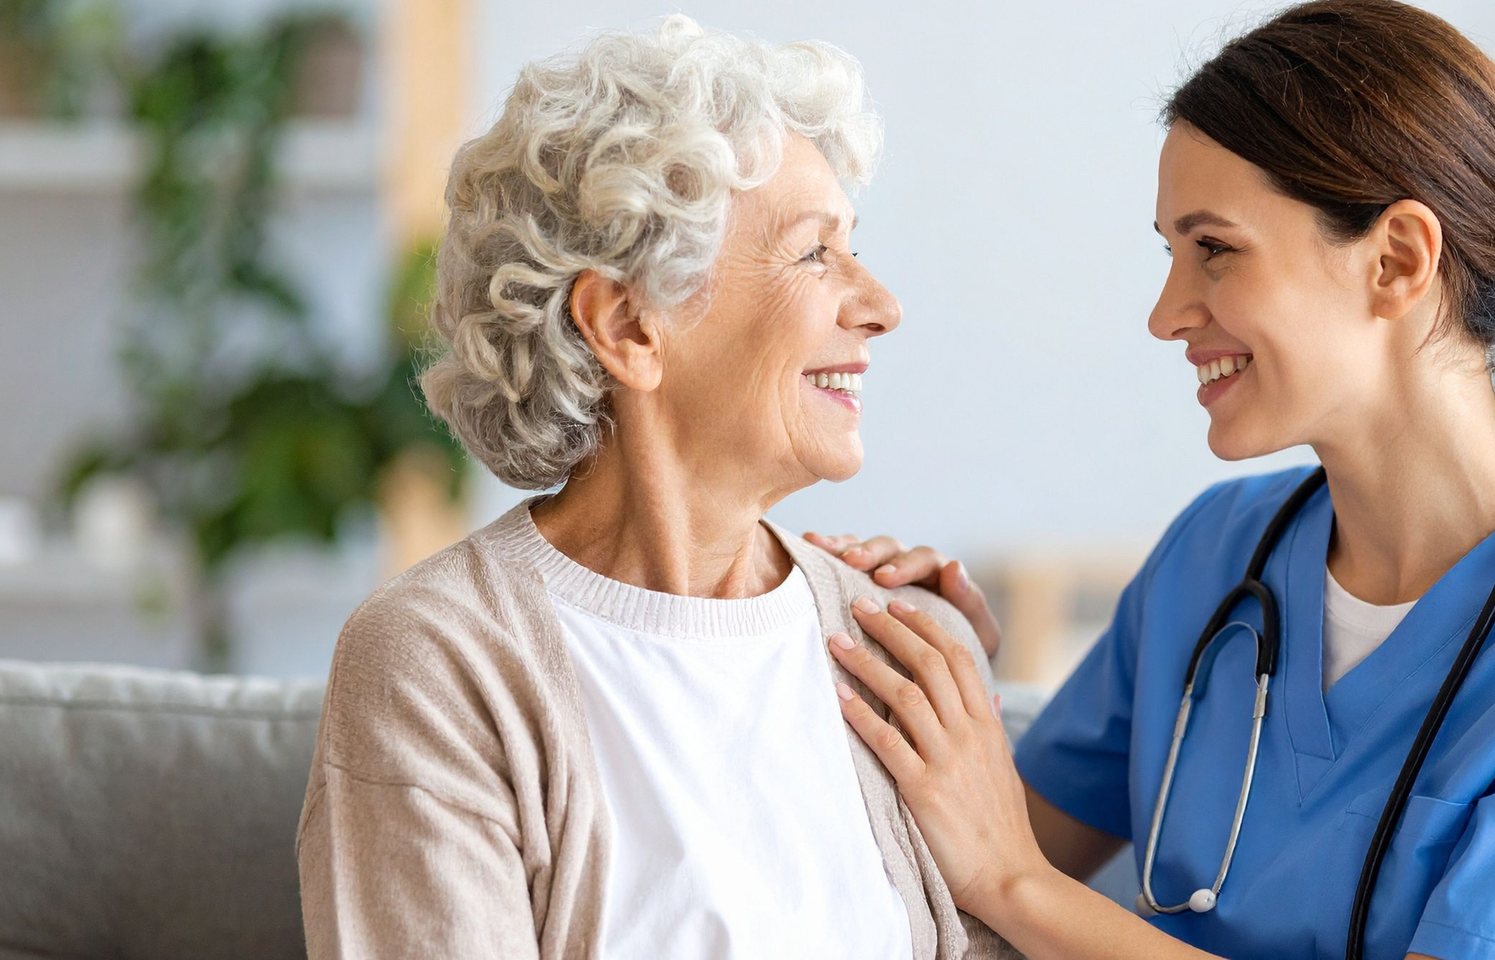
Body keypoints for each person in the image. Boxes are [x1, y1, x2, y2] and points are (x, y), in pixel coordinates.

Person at [813, 2, 1495, 958]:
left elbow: (1005, 875)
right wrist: (938, 668)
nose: (1167, 314)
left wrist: (1017, 885)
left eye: (1214, 249)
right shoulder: (1211, 558)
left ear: (1397, 260)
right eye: (1169, 254)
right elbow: (939, 885)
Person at [295, 18, 1017, 960]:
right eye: (814, 254)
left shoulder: (901, 650)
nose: (880, 304)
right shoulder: (439, 664)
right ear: (629, 325)